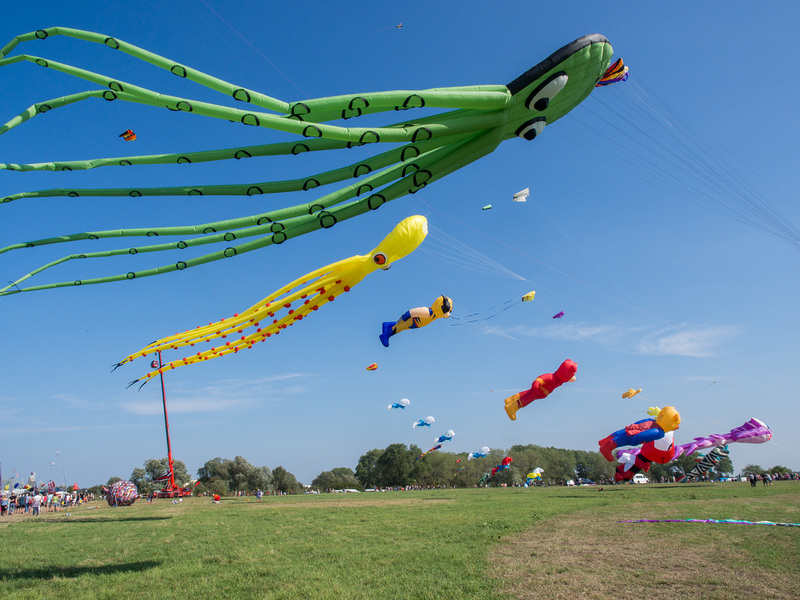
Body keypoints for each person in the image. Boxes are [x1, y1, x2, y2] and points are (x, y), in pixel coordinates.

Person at [379, 295, 452, 347]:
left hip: (416, 324)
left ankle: (387, 325)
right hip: (411, 321)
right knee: (399, 327)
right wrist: (406, 316)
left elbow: (446, 315)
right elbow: (412, 312)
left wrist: (448, 314)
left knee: (402, 326)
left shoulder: (438, 314)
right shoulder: (427, 312)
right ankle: (385, 336)